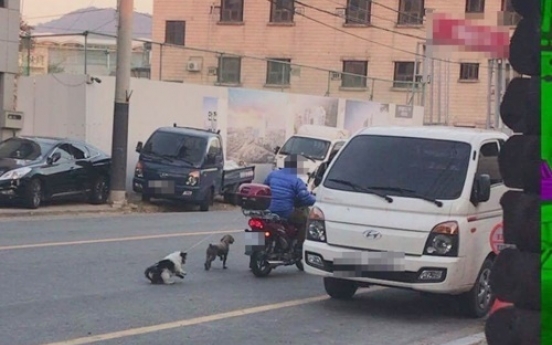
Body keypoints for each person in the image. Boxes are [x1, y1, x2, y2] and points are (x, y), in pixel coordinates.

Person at [263, 154, 316, 250]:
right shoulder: (297, 181)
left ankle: (252, 250)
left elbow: (264, 188)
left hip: (267, 210)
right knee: (306, 220)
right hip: (284, 212)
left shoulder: (272, 175)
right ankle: (299, 247)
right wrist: (317, 200)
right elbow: (305, 198)